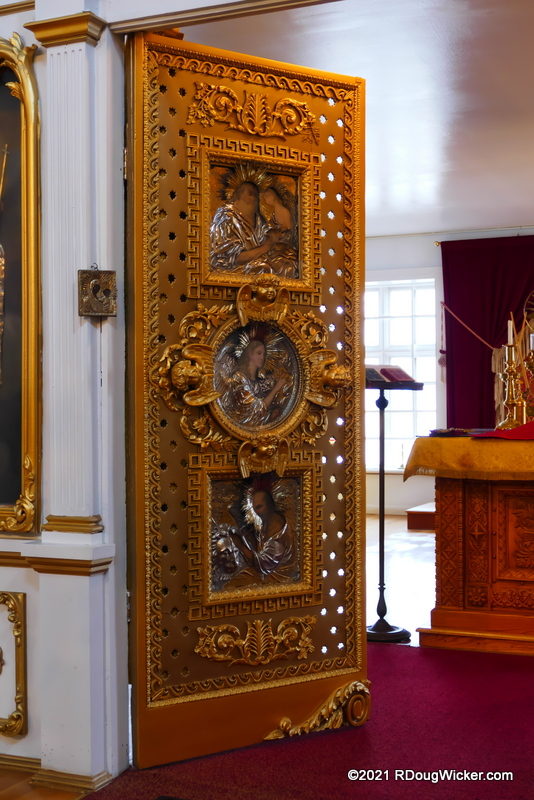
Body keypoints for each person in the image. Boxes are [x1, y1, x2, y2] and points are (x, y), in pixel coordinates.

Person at [210, 181, 286, 275]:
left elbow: (269, 238)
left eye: (256, 195)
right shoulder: (226, 217)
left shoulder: (259, 219)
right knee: (264, 268)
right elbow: (231, 258)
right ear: (238, 195)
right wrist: (265, 247)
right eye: (250, 193)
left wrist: (275, 237)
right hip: (233, 268)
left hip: (259, 259)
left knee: (286, 264)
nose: (253, 198)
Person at [219, 338, 290, 428]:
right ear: (249, 354)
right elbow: (255, 410)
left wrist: (271, 417)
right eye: (259, 353)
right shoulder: (239, 378)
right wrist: (276, 388)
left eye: (264, 354)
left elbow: (260, 416)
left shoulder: (259, 382)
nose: (262, 358)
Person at [230, 489, 295, 578]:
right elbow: (257, 549)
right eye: (255, 508)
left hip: (277, 577)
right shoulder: (264, 524)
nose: (257, 512)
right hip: (264, 573)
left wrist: (239, 544)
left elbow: (262, 564)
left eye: (259, 507)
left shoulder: (278, 532)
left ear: (270, 505)